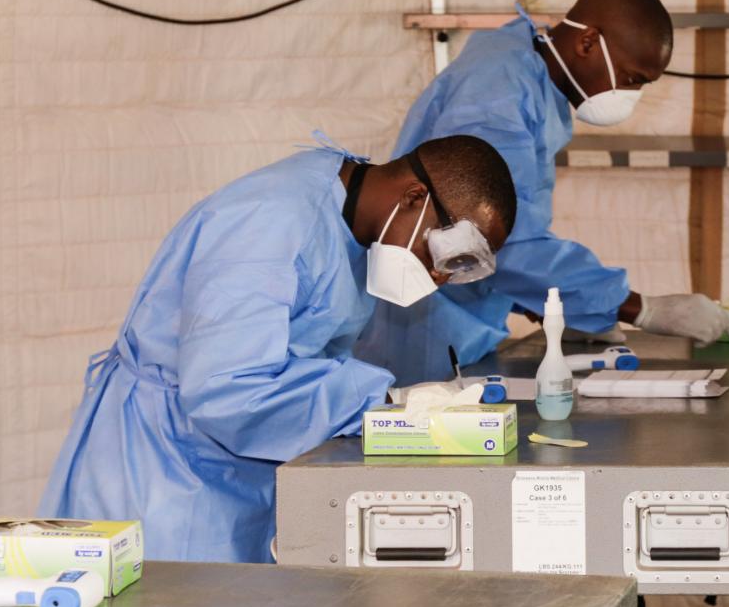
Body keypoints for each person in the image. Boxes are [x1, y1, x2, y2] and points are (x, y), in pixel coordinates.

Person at [40, 133, 516, 563]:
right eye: (442, 256)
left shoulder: (350, 224)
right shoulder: (272, 222)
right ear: (414, 197)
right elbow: (228, 388)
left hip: (234, 462)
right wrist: (380, 404)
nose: (436, 277)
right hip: (164, 470)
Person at [355, 0, 729, 385]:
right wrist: (637, 308)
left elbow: (509, 230)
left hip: (458, 319)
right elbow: (484, 239)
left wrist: (557, 305)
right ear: (587, 43)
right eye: (631, 79)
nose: (631, 96)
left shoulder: (530, 82)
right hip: (421, 327)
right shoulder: (497, 92)